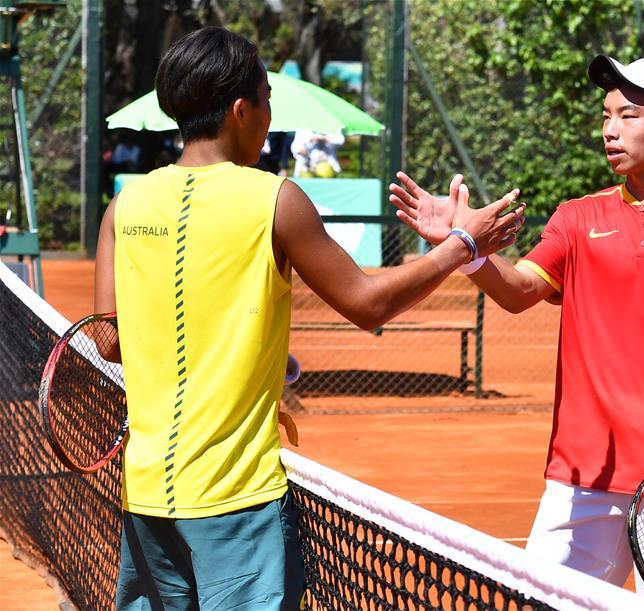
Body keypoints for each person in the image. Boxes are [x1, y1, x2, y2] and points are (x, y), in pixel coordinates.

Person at [93, 26, 524, 610]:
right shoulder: (276, 198)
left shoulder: (123, 207)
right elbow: (367, 303)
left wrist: (236, 349)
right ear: (241, 110)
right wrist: (457, 247)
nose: (271, 118)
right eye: (267, 101)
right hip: (236, 501)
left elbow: (107, 341)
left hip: (144, 498)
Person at [389, 54, 644, 610]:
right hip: (581, 477)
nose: (609, 129)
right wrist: (464, 249)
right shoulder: (576, 217)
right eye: (605, 115)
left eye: (628, 115)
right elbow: (519, 291)